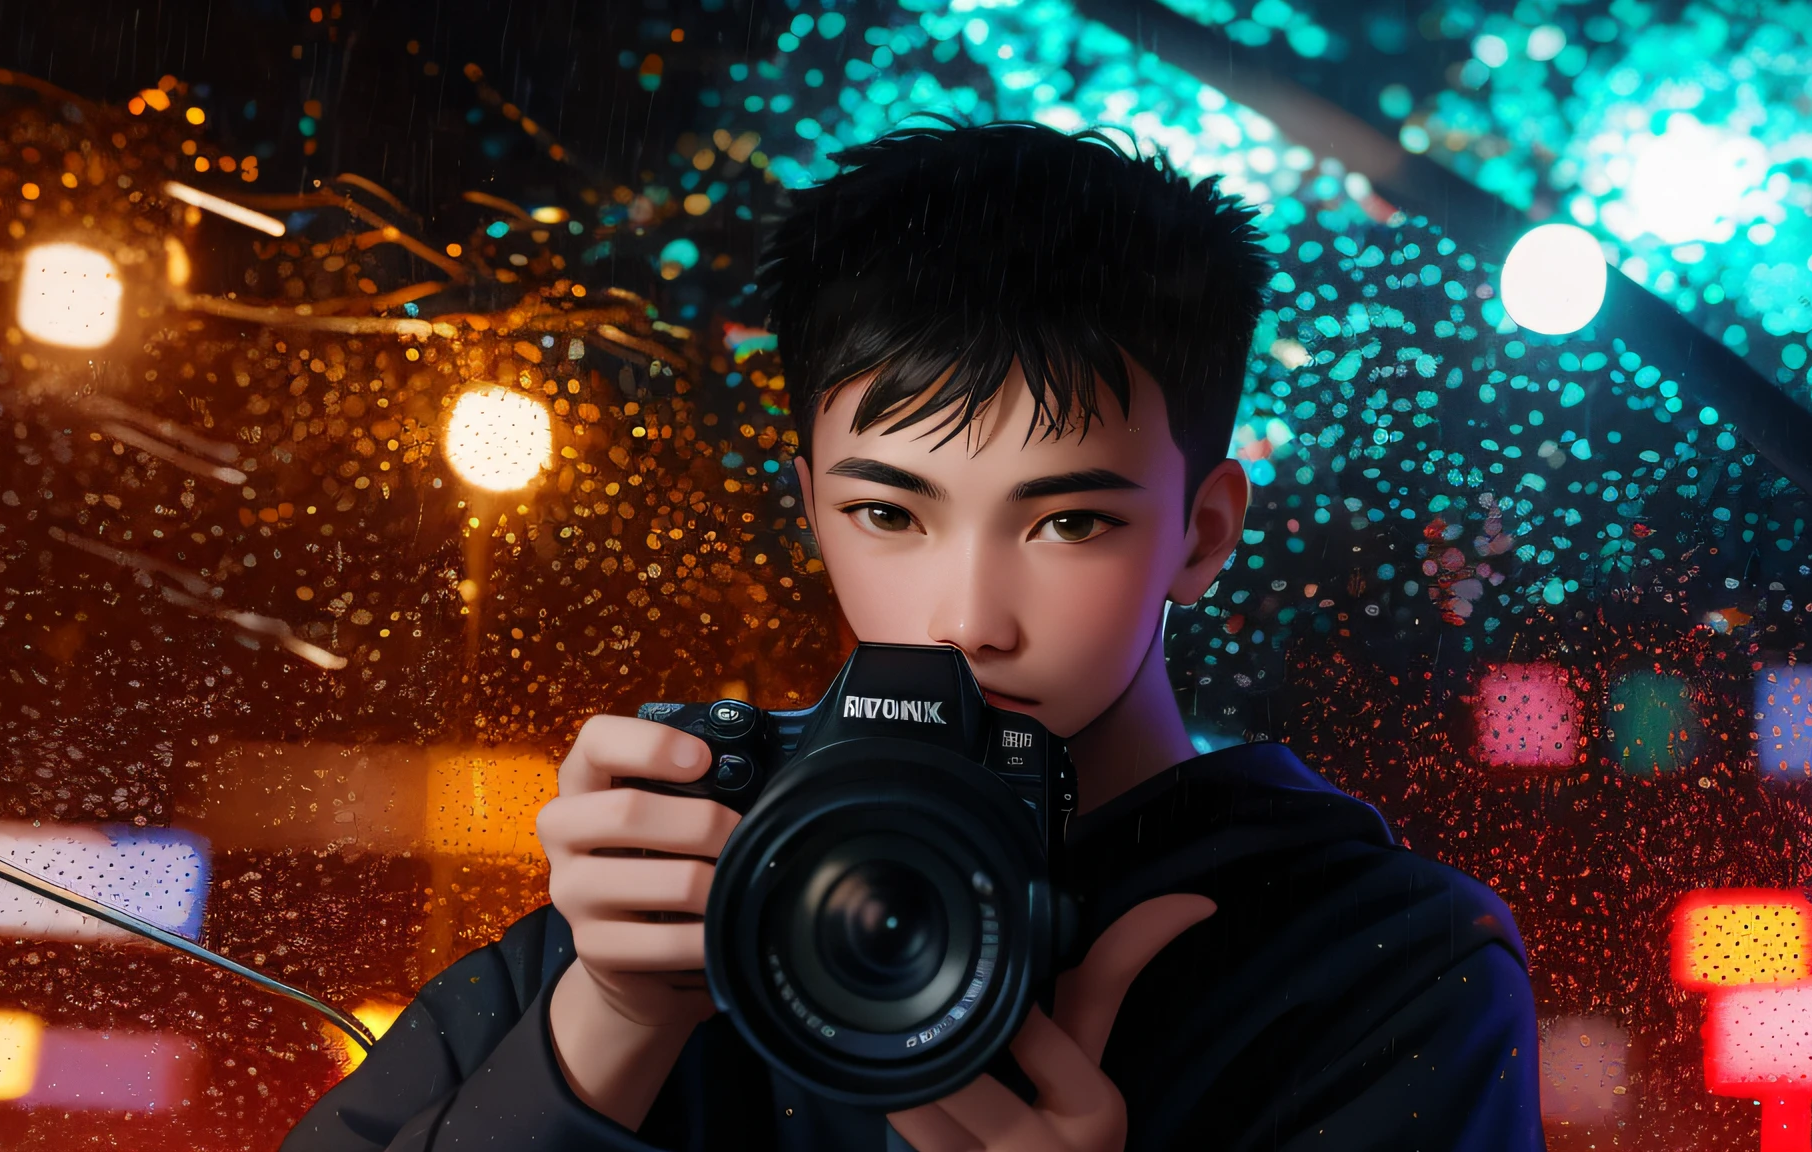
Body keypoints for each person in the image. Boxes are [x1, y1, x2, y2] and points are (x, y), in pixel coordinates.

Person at [283, 119, 1546, 1152]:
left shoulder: (1384, 968)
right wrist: (603, 1030)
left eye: (1067, 526)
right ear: (812, 511)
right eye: (889, 511)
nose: (965, 620)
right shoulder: (675, 903)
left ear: (1202, 535)